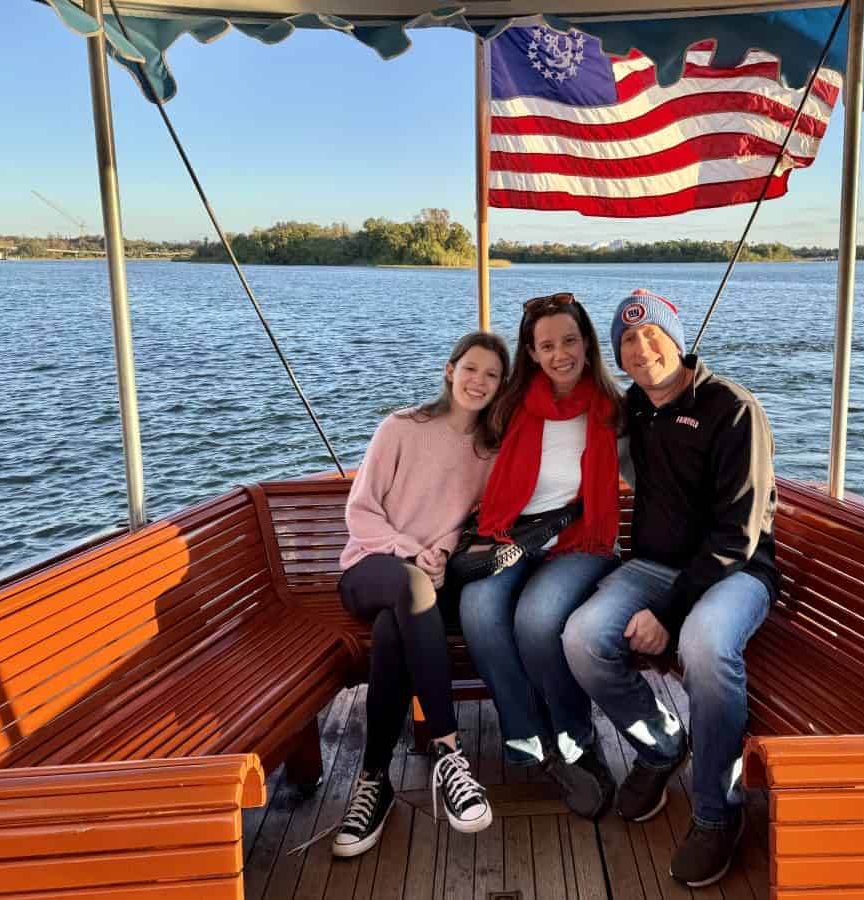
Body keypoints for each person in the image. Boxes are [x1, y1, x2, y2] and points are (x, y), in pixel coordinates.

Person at [563, 289, 779, 887]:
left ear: (677, 337)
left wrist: (671, 611)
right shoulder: (633, 409)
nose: (641, 347)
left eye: (652, 333)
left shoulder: (733, 408)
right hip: (653, 566)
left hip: (736, 572)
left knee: (706, 648)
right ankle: (661, 745)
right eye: (627, 341)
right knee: (581, 637)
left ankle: (717, 811)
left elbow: (738, 534)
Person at [330, 331, 509, 858]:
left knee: (392, 632)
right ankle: (451, 754)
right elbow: (360, 512)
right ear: (450, 370)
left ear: (501, 388)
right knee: (407, 587)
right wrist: (410, 551)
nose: (479, 381)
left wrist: (444, 553)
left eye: (492, 375)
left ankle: (373, 783)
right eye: (471, 368)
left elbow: (471, 523)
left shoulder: (488, 453)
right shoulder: (402, 427)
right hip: (368, 566)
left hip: (430, 579)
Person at [459, 292, 623, 819]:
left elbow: (660, 465)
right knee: (479, 609)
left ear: (587, 343)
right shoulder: (511, 406)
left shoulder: (613, 409)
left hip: (581, 539)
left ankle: (577, 736)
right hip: (512, 535)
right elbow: (452, 428)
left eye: (569, 341)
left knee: (536, 620)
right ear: (531, 352)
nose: (560, 355)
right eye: (546, 345)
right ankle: (531, 736)